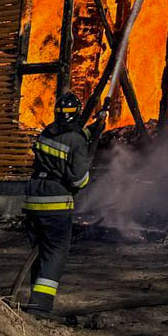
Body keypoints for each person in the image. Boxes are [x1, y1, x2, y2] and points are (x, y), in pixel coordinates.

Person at [22, 90, 100, 316]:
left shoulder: (47, 132)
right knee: (55, 252)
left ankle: (35, 299)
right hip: (55, 204)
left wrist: (95, 128)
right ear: (76, 114)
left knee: (40, 252)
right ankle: (40, 306)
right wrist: (85, 171)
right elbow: (79, 180)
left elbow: (69, 138)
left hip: (33, 198)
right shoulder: (76, 141)